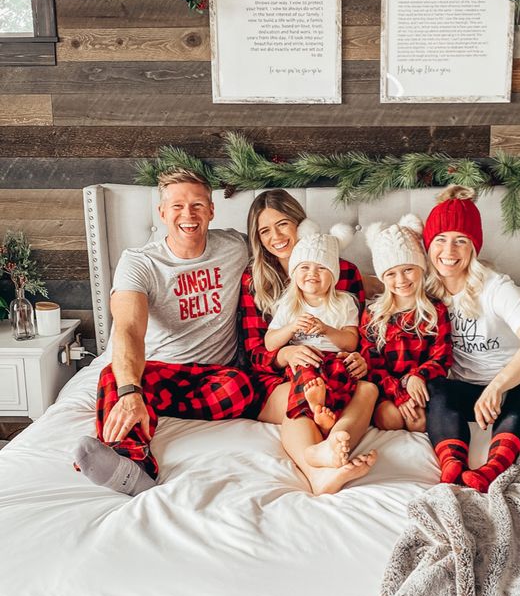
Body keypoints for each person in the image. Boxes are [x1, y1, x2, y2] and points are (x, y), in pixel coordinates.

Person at [73, 168, 263, 496]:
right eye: (177, 206)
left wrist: (376, 283)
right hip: (157, 372)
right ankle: (132, 465)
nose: (188, 215)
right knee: (112, 377)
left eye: (198, 205)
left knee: (242, 386)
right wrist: (131, 391)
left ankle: (148, 405)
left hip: (216, 377)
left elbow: (300, 264)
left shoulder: (235, 247)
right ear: (162, 213)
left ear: (211, 210)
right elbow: (130, 329)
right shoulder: (139, 262)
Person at [240, 190, 378, 495]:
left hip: (335, 369)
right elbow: (254, 350)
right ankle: (315, 471)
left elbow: (359, 330)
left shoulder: (342, 274)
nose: (275, 236)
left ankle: (333, 444)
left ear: (300, 225)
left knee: (368, 390)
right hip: (280, 378)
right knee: (297, 394)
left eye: (283, 224)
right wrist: (286, 354)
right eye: (265, 230)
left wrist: (362, 358)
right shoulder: (255, 279)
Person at [423, 186, 520, 493]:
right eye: (440, 240)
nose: (449, 250)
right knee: (436, 388)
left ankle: (492, 468)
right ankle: (452, 466)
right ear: (428, 245)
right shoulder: (424, 288)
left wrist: (498, 385)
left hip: (515, 390)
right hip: (468, 395)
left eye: (461, 240)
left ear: (474, 247)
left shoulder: (496, 287)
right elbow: (386, 280)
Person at [265, 222, 360, 438]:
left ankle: (323, 413)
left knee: (341, 375)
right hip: (304, 358)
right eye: (305, 267)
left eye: (321, 268)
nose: (312, 274)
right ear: (294, 272)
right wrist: (291, 328)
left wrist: (327, 330)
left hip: (334, 358)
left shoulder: (344, 302)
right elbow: (270, 343)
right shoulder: (288, 305)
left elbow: (351, 342)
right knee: (304, 370)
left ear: (334, 275)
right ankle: (317, 408)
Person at [360, 215, 452, 433]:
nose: (401, 280)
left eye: (408, 269)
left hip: (421, 385)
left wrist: (416, 376)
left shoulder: (436, 310)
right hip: (387, 388)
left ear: (421, 268)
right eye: (391, 273)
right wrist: (398, 392)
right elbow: (371, 366)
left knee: (418, 422)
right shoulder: (372, 314)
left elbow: (442, 357)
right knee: (390, 419)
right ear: (382, 277)